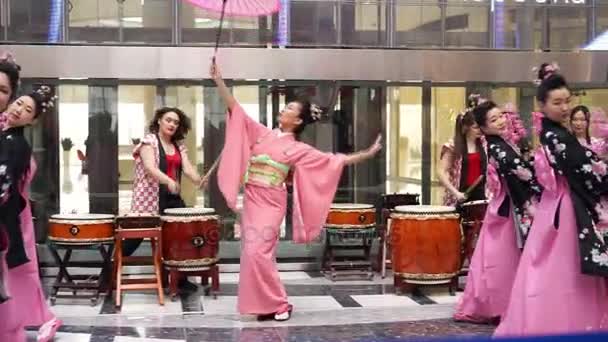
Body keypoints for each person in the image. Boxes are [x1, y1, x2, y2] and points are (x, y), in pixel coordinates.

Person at [211, 60, 381, 321]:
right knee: (251, 254)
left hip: (271, 201)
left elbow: (334, 161)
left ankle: (280, 304)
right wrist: (218, 80)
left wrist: (366, 153)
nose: (284, 109)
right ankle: (264, 306)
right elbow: (236, 109)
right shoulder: (262, 134)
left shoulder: (299, 149)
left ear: (298, 120)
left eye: (290, 108)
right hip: (252, 199)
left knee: (259, 252)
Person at [494, 74, 608, 336]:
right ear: (542, 105)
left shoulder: (554, 133)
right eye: (557, 102)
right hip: (566, 207)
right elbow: (588, 170)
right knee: (565, 270)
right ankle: (566, 324)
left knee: (546, 266)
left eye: (567, 101)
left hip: (553, 205)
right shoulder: (556, 136)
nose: (565, 108)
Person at [453, 101, 542, 324]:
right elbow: (523, 174)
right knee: (502, 259)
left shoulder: (500, 143)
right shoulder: (498, 147)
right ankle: (501, 305)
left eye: (501, 115)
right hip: (508, 207)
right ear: (483, 128)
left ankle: (493, 303)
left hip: (503, 204)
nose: (502, 120)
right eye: (494, 120)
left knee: (493, 257)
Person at [0, 86, 62, 342]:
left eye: (27, 111)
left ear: (32, 120)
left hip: (6, 217)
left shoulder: (18, 145)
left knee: (12, 280)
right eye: (19, 104)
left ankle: (28, 324)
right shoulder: (7, 135)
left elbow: (5, 182)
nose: (19, 110)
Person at [126, 107, 208, 255]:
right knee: (134, 239)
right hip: (149, 199)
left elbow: (188, 169)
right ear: (159, 121)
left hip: (172, 199)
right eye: (168, 120)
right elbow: (150, 167)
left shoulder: (178, 146)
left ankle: (180, 278)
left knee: (184, 235)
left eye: (176, 122)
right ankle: (108, 271)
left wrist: (199, 180)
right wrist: (169, 181)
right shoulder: (149, 141)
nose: (172, 125)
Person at [437, 95, 487, 206]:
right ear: (465, 127)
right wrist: (455, 193)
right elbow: (441, 172)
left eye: (480, 126)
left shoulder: (484, 143)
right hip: (460, 194)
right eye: (475, 127)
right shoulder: (453, 146)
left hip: (482, 194)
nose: (479, 130)